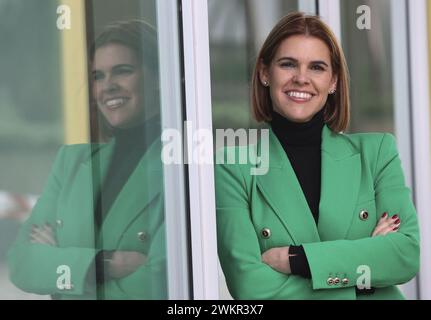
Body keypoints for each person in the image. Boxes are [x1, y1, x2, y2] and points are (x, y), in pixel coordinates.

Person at [215, 12, 420, 300]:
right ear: (264, 73)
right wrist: (364, 279)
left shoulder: (377, 153)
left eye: (317, 67)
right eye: (288, 64)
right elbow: (249, 287)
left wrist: (296, 259)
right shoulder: (233, 166)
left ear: (333, 80)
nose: (301, 78)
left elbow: (406, 255)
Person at [7, 20, 166, 299]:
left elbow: (159, 281)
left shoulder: (181, 165)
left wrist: (62, 261)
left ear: (158, 78)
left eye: (123, 71)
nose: (108, 86)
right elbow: (22, 263)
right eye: (97, 76)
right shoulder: (71, 161)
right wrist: (102, 264)